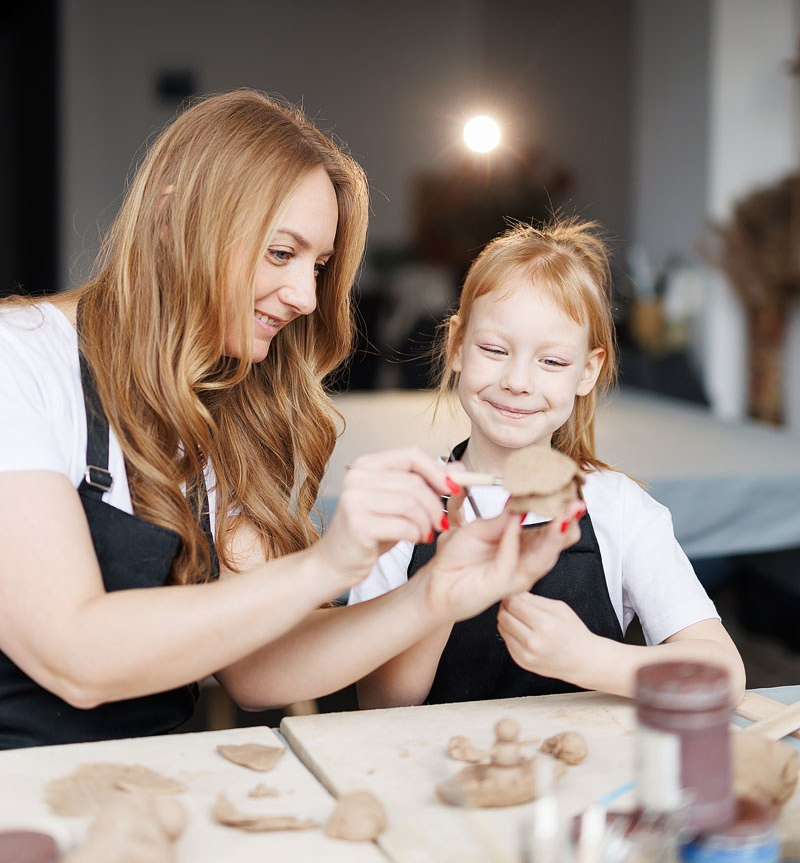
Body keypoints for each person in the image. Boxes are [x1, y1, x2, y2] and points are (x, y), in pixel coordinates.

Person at [0, 89, 584, 750]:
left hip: (148, 783)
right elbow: (74, 657)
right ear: (172, 221)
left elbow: (257, 669)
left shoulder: (222, 403)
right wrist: (328, 565)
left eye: (320, 266)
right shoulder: (18, 363)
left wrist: (433, 597)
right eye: (282, 254)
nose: (307, 297)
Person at [349, 218, 746, 708]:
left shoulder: (618, 509)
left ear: (587, 371)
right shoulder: (406, 504)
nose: (518, 380)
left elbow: (724, 675)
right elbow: (380, 704)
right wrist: (439, 597)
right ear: (456, 346)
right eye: (494, 350)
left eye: (552, 362)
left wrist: (587, 658)